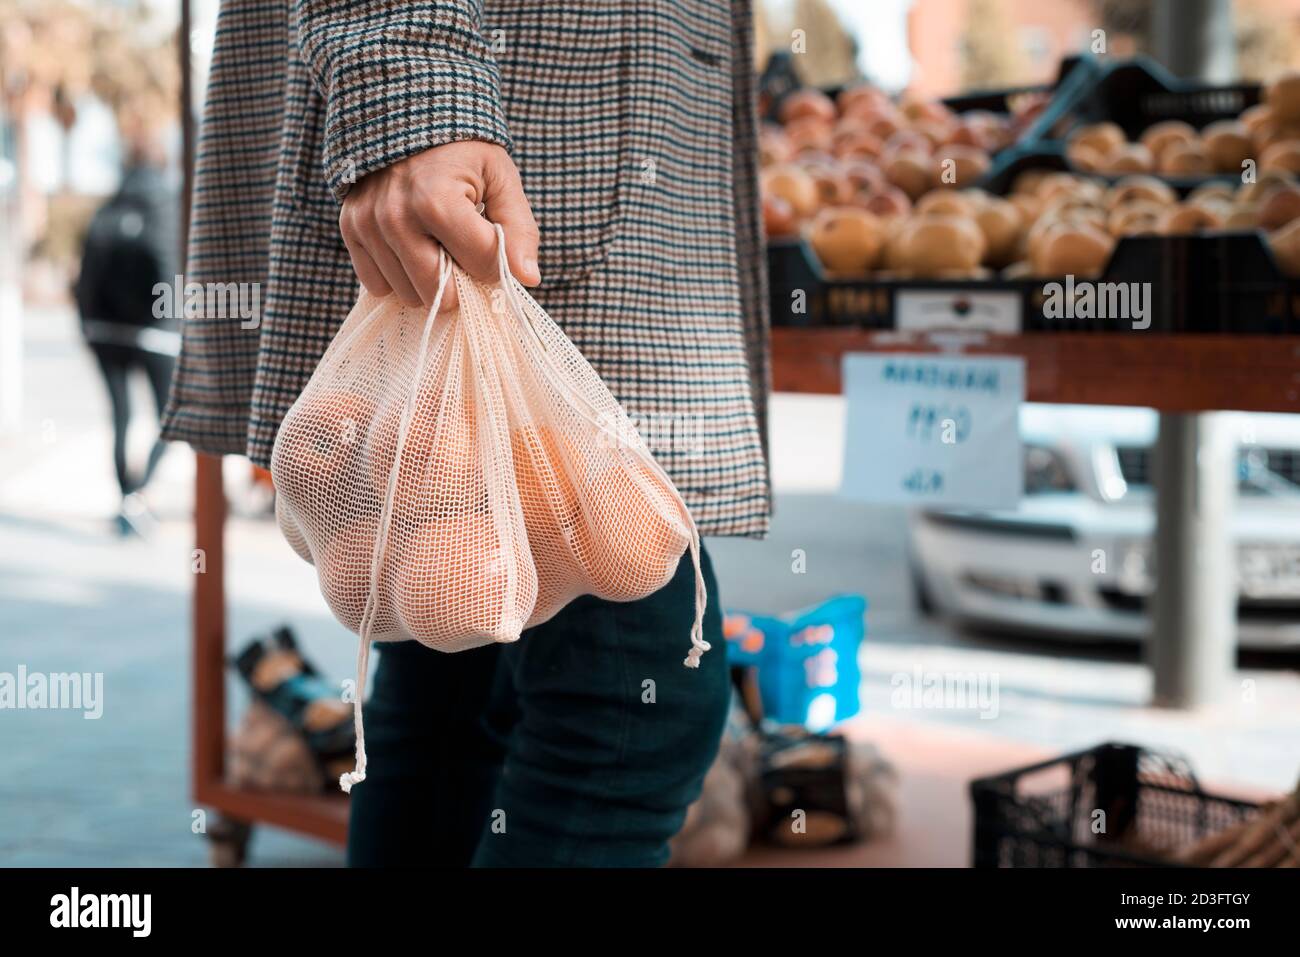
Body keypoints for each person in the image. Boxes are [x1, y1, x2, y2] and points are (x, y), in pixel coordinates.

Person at [162, 0, 772, 867]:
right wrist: (409, 88)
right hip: (498, 169)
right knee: (629, 708)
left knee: (447, 677)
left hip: (533, 169)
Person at [76, 141, 180, 536]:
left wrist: (86, 325)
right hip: (155, 333)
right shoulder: (167, 206)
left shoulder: (108, 208)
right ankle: (136, 495)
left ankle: (125, 500)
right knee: (170, 420)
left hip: (103, 331)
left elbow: (84, 273)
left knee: (120, 416)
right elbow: (174, 267)